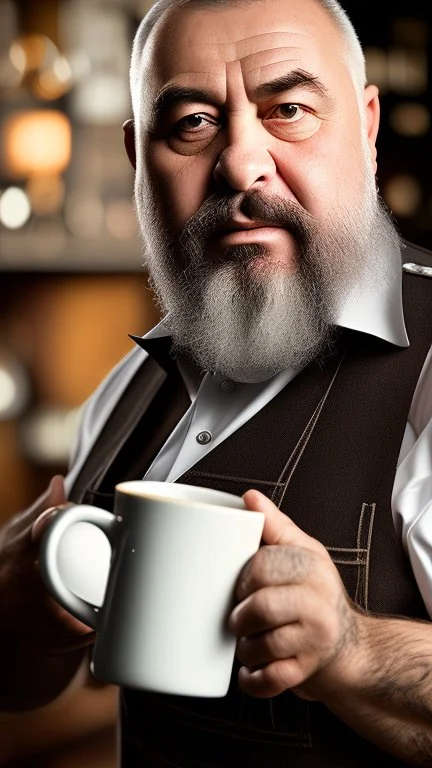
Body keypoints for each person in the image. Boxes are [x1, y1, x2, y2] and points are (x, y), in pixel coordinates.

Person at [1, 0, 432, 765]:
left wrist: (354, 648)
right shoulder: (132, 383)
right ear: (138, 159)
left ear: (366, 131)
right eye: (192, 123)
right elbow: (33, 680)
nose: (240, 162)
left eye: (289, 110)